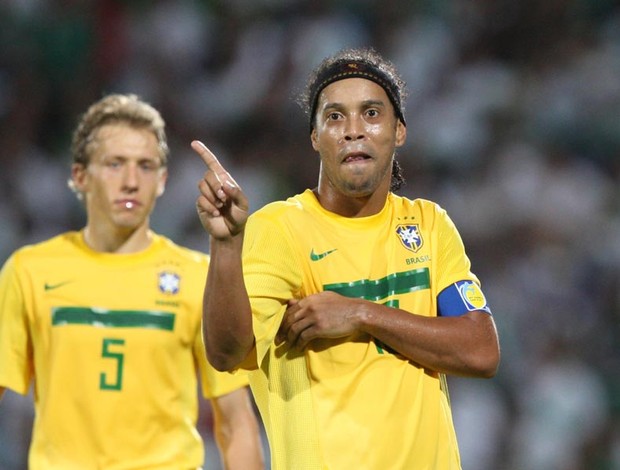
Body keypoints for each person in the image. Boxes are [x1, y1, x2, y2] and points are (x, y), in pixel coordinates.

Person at [193, 48, 501, 469]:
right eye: (335, 117)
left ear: (399, 131)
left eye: (371, 113)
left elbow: (481, 351)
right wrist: (227, 247)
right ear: (315, 137)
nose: (353, 130)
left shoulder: (428, 225)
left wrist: (360, 313)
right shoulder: (281, 230)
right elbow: (226, 354)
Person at [0, 94, 264, 470]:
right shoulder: (29, 271)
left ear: (162, 180)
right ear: (79, 175)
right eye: (114, 164)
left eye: (145, 166)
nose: (130, 181)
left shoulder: (196, 277)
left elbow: (236, 423)